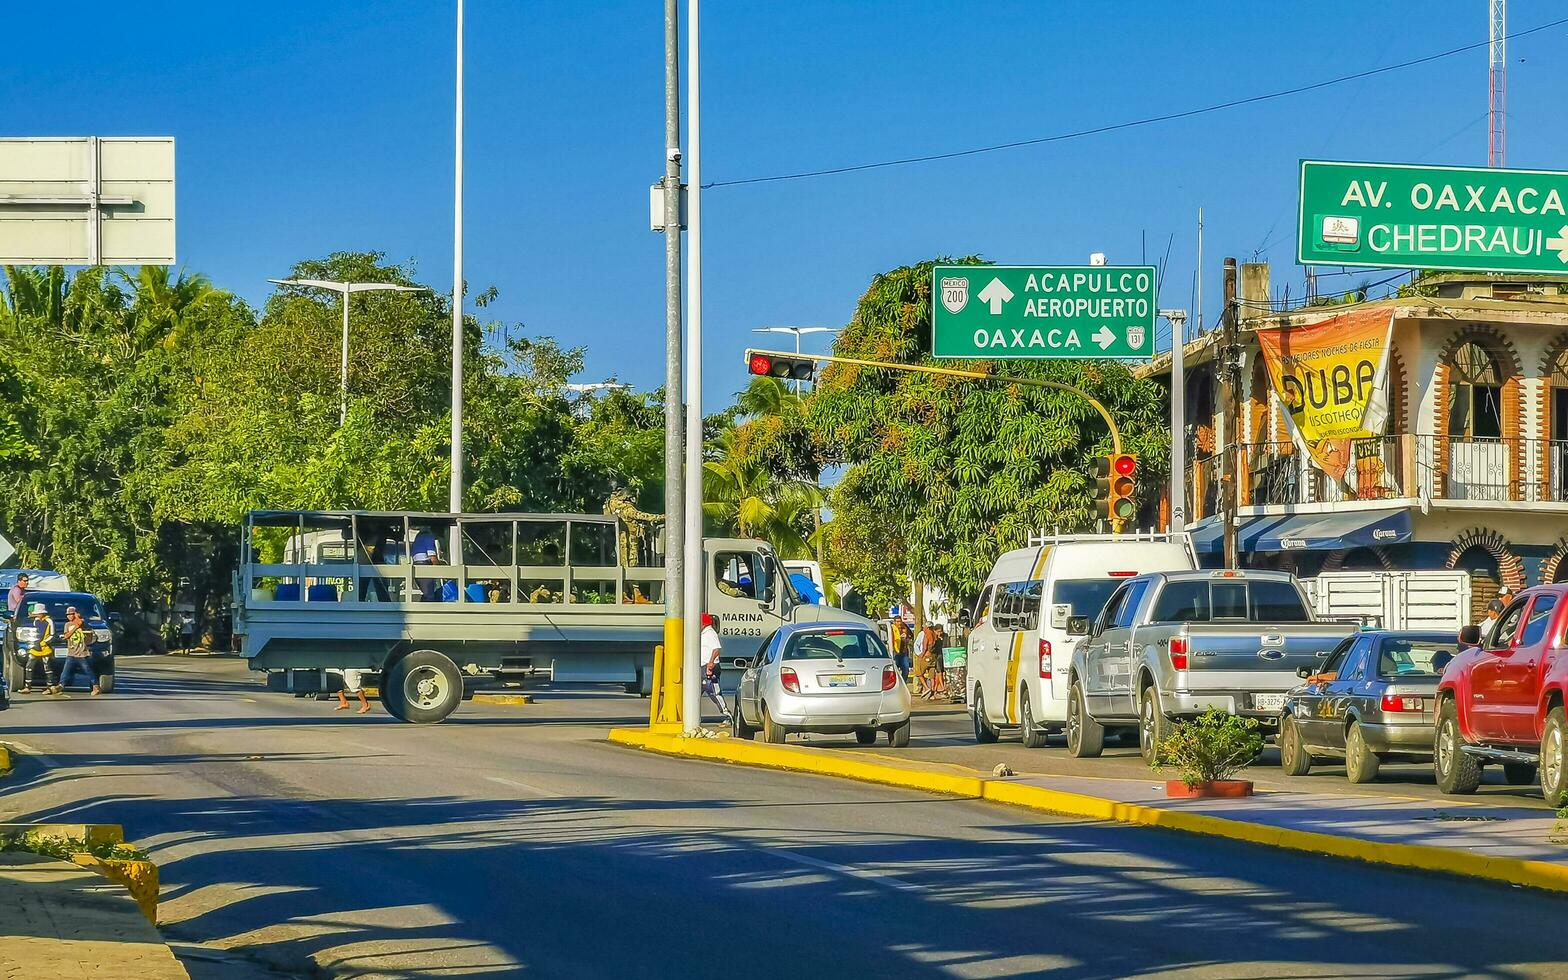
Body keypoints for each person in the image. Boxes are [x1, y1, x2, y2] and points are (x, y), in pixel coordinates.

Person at [58, 606, 100, 696]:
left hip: (82, 652)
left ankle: (95, 686)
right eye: (68, 615)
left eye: (71, 614)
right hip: (71, 652)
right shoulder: (67, 625)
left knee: (87, 670)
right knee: (65, 671)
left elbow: (90, 633)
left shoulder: (82, 623)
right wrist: (75, 627)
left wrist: (78, 619)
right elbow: (66, 636)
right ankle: (61, 685)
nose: (69, 616)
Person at [20, 602, 59, 695]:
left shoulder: (49, 621)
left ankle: (50, 687)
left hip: (45, 648)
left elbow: (52, 634)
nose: (37, 615)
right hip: (35, 647)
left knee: (47, 667)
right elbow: (34, 632)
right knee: (29, 666)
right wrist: (33, 643)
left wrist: (44, 642)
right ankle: (27, 686)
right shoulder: (36, 621)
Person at [700, 613, 730, 722]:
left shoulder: (710, 633)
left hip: (709, 667)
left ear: (703, 623)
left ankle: (727, 716)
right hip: (702, 666)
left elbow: (716, 649)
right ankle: (690, 717)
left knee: (714, 692)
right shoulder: (703, 633)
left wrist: (710, 663)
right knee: (694, 693)